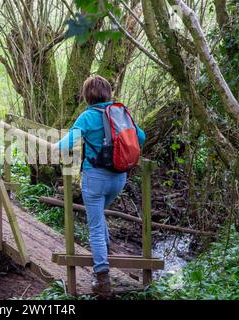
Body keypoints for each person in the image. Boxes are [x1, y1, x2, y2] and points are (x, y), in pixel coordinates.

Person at [56, 75, 146, 298]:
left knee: (94, 225)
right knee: (98, 217)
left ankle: (102, 279)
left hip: (95, 179)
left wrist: (52, 144)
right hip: (119, 178)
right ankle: (106, 249)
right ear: (108, 93)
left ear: (87, 96)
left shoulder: (87, 117)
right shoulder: (120, 112)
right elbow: (141, 137)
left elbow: (66, 144)